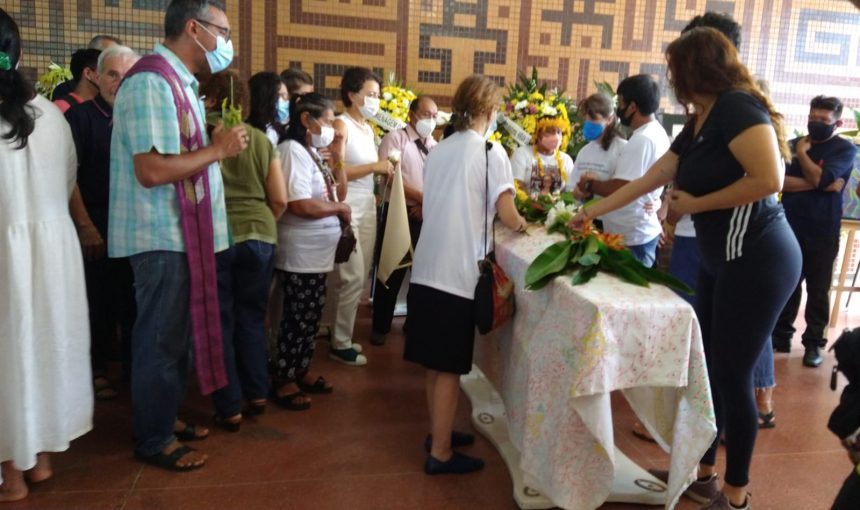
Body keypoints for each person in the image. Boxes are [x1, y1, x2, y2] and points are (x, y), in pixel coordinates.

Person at [571, 28, 801, 509]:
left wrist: (697, 203)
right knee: (712, 372)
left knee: (733, 375)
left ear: (696, 69)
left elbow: (770, 178)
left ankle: (735, 495)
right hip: (725, 257)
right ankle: (704, 474)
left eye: (675, 69)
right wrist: (591, 210)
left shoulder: (738, 106)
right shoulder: (702, 118)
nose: (671, 79)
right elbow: (656, 176)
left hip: (757, 257)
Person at [109, 0, 248, 471]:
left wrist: (208, 142)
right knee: (160, 341)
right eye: (222, 32)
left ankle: (163, 418)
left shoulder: (179, 84)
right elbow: (150, 170)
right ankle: (153, 438)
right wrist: (217, 150)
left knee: (174, 339)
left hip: (180, 236)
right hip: (160, 236)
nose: (227, 43)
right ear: (194, 28)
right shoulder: (151, 82)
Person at [405, 74, 528, 475]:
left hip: (426, 269)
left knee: (435, 364)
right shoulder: (491, 151)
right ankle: (440, 452)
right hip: (457, 275)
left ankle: (437, 431)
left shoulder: (439, 149)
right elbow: (508, 214)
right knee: (449, 367)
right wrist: (526, 225)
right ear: (490, 111)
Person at [0, 8, 93, 501]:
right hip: (53, 253)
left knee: (8, 355)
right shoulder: (49, 117)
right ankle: (39, 461)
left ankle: (8, 475)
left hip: (6, 251)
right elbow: (66, 180)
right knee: (39, 348)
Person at [200, 69, 287, 427]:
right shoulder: (261, 140)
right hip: (261, 235)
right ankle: (257, 393)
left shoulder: (202, 135)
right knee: (252, 318)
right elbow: (279, 199)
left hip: (219, 236)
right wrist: (261, 224)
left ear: (210, 98)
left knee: (220, 320)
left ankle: (230, 406)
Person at [65, 44, 140, 399]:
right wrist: (85, 225)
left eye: (128, 76)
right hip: (95, 223)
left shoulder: (139, 119)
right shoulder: (79, 118)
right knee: (95, 303)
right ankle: (94, 370)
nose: (120, 83)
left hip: (135, 229)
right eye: (113, 74)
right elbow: (68, 176)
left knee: (132, 304)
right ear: (96, 77)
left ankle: (131, 367)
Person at [272, 92, 349, 410]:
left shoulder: (313, 151)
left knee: (311, 314)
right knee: (297, 316)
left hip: (318, 254)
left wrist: (339, 153)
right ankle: (284, 378)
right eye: (328, 121)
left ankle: (300, 369)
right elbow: (298, 203)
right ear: (306, 119)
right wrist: (338, 208)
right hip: (300, 252)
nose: (332, 128)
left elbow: (338, 190)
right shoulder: (292, 150)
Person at [773, 96, 857, 367]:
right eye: (813, 118)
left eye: (823, 120)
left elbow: (823, 178)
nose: (816, 123)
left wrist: (804, 155)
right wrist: (819, 183)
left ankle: (813, 345)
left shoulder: (843, 149)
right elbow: (778, 181)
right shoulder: (789, 146)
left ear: (837, 122)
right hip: (788, 226)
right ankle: (781, 337)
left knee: (818, 290)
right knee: (787, 284)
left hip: (823, 229)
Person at [324, 66, 393, 366]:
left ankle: (336, 329)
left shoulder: (367, 128)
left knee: (358, 274)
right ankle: (340, 342)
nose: (376, 100)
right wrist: (375, 169)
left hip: (367, 203)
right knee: (351, 275)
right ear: (352, 95)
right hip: (347, 204)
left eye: (378, 95)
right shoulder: (341, 126)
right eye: (371, 94)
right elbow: (334, 171)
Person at [576, 74, 668, 267]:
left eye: (621, 102)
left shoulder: (642, 140)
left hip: (633, 237)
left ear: (633, 107)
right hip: (633, 231)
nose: (619, 108)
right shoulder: (655, 133)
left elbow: (622, 187)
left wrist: (590, 184)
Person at [371, 95, 439, 346]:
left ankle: (414, 323)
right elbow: (392, 176)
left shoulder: (435, 146)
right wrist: (422, 198)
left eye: (434, 116)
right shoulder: (395, 139)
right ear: (412, 115)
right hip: (398, 212)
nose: (430, 120)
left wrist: (425, 205)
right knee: (392, 269)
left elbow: (439, 181)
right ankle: (380, 325)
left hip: (424, 215)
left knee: (421, 273)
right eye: (426, 114)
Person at [570, 93, 627, 200]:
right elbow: (572, 188)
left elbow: (626, 188)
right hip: (586, 213)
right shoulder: (584, 151)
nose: (588, 124)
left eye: (593, 119)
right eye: (586, 119)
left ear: (609, 120)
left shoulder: (622, 149)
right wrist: (578, 192)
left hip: (610, 215)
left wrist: (596, 185)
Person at [510, 112, 574, 195]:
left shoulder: (566, 159)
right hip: (527, 206)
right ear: (538, 134)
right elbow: (517, 185)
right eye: (549, 131)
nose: (556, 136)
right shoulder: (522, 153)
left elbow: (571, 190)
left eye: (559, 132)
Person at [247, 71, 289, 148]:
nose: (286, 102)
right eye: (281, 95)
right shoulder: (254, 133)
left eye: (286, 96)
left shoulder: (276, 129)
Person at [53, 48, 101, 113]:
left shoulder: (102, 107)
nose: (109, 77)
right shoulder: (62, 108)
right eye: (103, 71)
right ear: (88, 73)